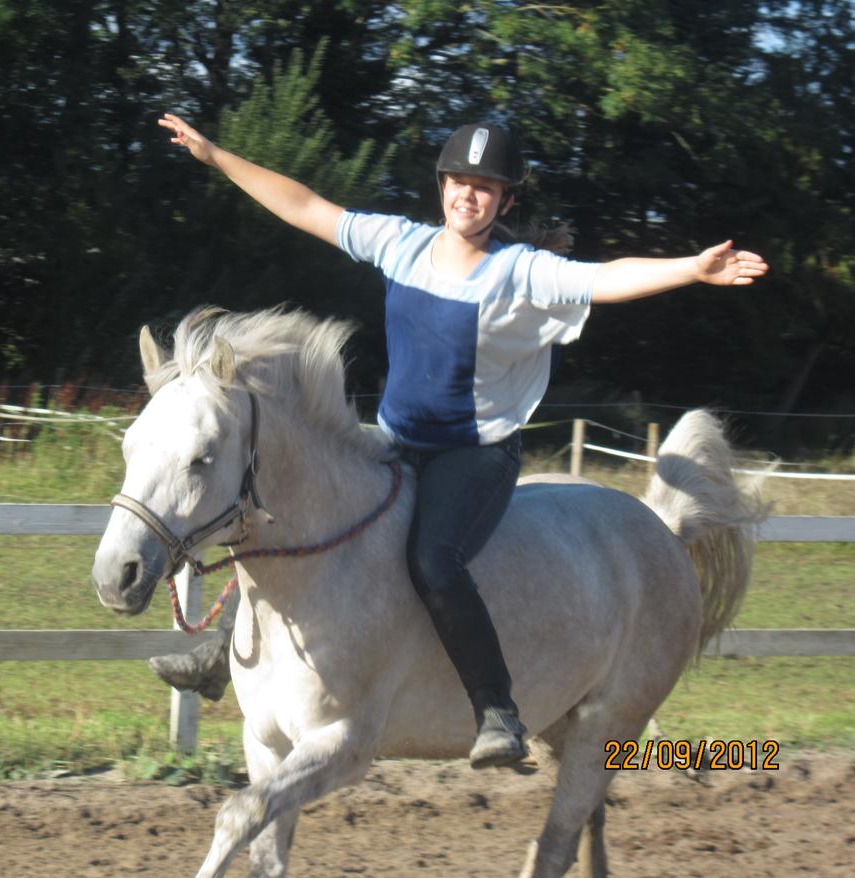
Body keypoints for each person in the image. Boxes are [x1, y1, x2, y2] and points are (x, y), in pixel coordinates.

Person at [148, 112, 768, 769]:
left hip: (474, 454)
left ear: (503, 200)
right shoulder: (401, 244)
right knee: (288, 502)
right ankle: (224, 652)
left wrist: (691, 269)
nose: (468, 195)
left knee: (434, 561)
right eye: (458, 182)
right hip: (396, 438)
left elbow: (604, 278)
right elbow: (305, 205)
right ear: (442, 185)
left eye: (485, 187)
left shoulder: (518, 270)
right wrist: (217, 155)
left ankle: (496, 708)